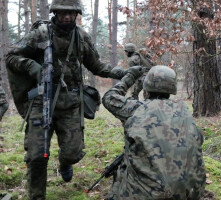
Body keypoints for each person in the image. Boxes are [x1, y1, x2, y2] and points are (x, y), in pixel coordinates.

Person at [5, 0, 126, 199]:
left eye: (71, 13)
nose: (67, 17)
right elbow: (11, 56)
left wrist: (123, 73)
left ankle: (65, 162)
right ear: (55, 12)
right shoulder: (40, 34)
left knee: (73, 153)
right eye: (62, 13)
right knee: (36, 156)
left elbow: (97, 66)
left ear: (77, 13)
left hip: (69, 104)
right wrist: (31, 66)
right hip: (41, 101)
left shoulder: (81, 37)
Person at [102, 65, 206, 199]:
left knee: (123, 170)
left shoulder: (136, 109)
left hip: (148, 195)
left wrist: (130, 76)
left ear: (146, 89)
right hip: (189, 193)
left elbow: (109, 97)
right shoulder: (183, 111)